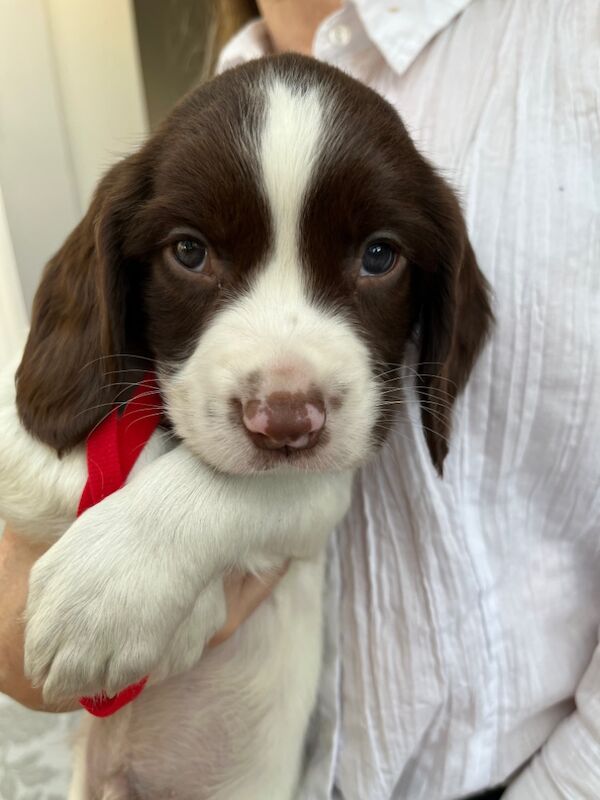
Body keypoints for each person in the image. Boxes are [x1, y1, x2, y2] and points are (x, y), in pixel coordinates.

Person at [2, 1, 599, 798]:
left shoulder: (569, 52)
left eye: (377, 257)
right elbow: (50, 441)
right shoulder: (209, 107)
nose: (283, 405)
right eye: (192, 253)